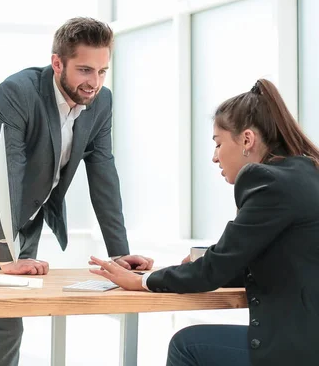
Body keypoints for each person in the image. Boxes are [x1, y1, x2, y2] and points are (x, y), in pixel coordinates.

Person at [0, 17, 154, 366]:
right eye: (85, 70)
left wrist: (120, 255)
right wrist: (7, 255)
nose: (95, 82)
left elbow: (104, 174)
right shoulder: (19, 91)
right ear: (57, 63)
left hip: (28, 214)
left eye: (102, 71)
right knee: (6, 317)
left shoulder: (101, 102)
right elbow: (7, 171)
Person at [88, 79, 319, 366]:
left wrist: (142, 281)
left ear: (247, 140)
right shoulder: (305, 172)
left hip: (300, 351)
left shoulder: (268, 182)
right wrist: (193, 266)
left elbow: (215, 269)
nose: (214, 157)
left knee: (187, 346)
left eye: (218, 144)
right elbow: (247, 261)